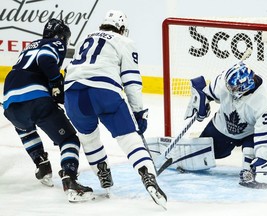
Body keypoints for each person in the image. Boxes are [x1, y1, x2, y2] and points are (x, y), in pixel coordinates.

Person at [64, 10, 167, 208]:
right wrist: (138, 112)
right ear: (121, 28)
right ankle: (147, 175)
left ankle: (104, 176)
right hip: (103, 92)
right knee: (129, 138)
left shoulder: (87, 37)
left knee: (88, 138)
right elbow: (131, 81)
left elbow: (70, 69)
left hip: (73, 95)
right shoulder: (124, 42)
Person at [2, 18, 95, 202]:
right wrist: (56, 84)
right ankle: (70, 178)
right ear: (61, 36)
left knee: (24, 126)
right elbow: (46, 58)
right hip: (34, 97)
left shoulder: (30, 46)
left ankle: (41, 164)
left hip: (8, 99)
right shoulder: (55, 42)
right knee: (68, 139)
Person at [184, 62, 267, 189]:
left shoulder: (265, 102)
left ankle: (249, 162)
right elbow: (207, 92)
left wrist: (264, 159)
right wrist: (201, 101)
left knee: (251, 157)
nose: (228, 90)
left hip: (250, 133)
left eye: (233, 89)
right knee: (206, 154)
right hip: (222, 125)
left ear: (244, 87)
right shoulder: (226, 81)